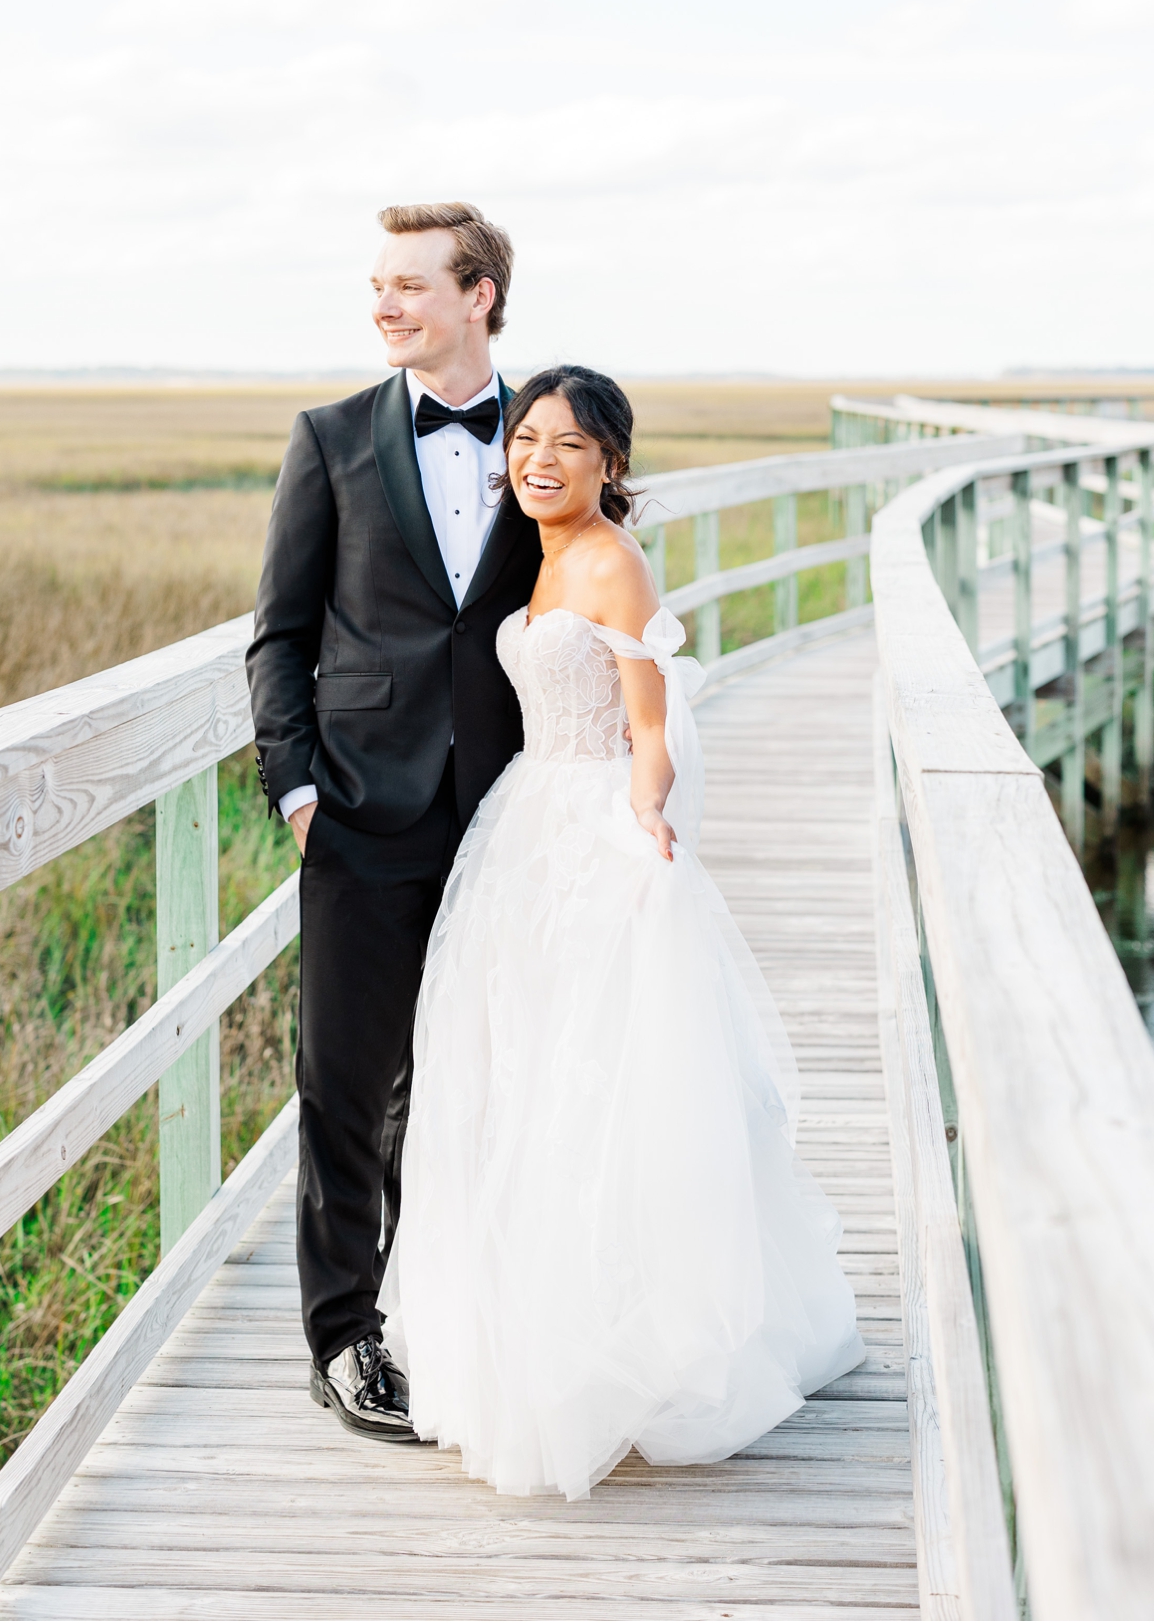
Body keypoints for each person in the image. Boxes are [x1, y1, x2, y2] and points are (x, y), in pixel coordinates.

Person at [379, 366, 865, 1498]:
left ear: (611, 464)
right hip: (527, 825)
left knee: (597, 1080)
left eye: (570, 446)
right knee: (521, 1072)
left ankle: (624, 1353)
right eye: (528, 439)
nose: (539, 459)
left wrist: (646, 819)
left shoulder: (609, 559)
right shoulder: (543, 556)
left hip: (591, 824)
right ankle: (532, 1336)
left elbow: (651, 722)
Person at [246, 201, 541, 1439]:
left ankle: (446, 1319)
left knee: (479, 1077)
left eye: (411, 285)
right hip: (362, 814)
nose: (384, 305)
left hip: (513, 816)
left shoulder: (546, 435)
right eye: (376, 285)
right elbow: (280, 632)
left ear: (479, 295)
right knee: (344, 1083)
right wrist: (298, 789)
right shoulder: (327, 440)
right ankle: (342, 1339)